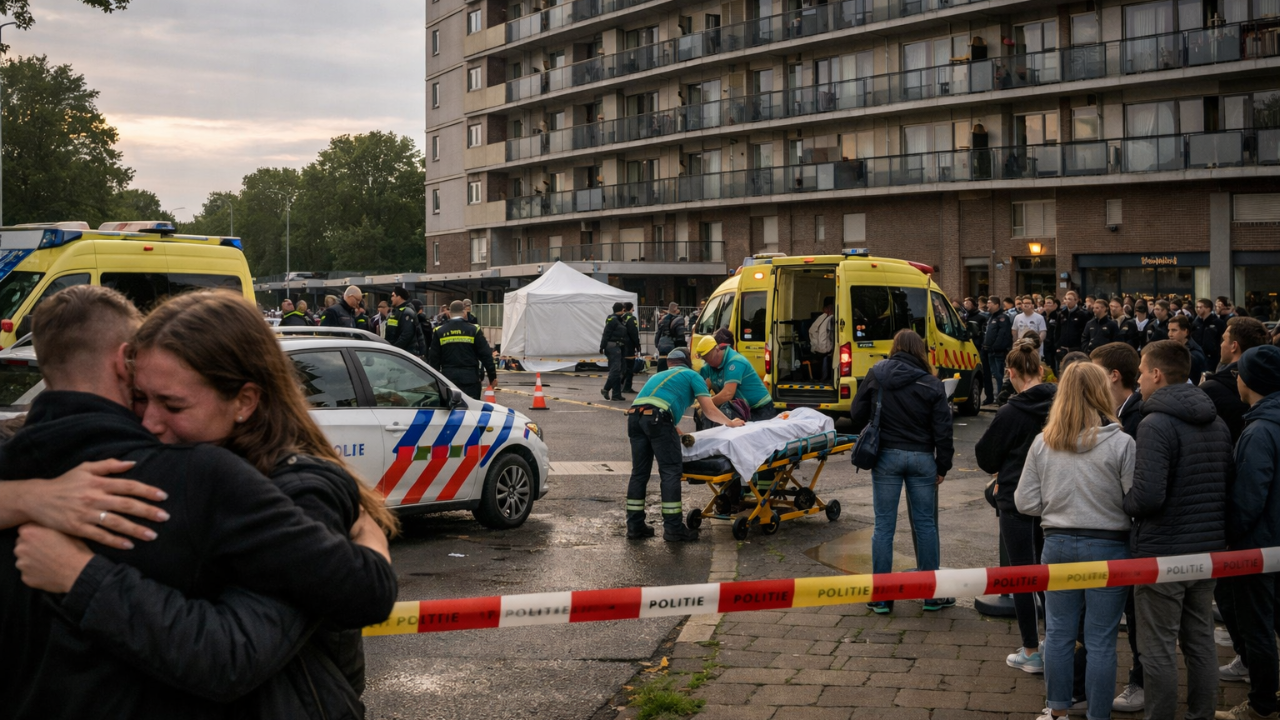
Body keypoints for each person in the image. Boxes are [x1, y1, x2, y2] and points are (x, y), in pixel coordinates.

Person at [0, 286, 397, 718]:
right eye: (140, 397)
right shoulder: (174, 467)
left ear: (244, 401)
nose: (148, 422)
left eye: (172, 404)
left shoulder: (291, 486)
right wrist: (26, 498)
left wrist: (81, 575)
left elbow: (238, 652)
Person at [1015, 362, 1135, 720]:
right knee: (1101, 640)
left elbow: (1024, 502)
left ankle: (1057, 712)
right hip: (1110, 547)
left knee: (1059, 634)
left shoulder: (1043, 443)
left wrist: (1057, 504)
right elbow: (1134, 502)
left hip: (1058, 544)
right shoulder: (1123, 443)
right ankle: (1098, 715)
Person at [1119, 340, 1230, 720]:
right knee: (1200, 640)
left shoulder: (1155, 424)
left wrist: (1123, 501)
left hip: (1163, 553)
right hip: (1208, 551)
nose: (1137, 381)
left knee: (1158, 647)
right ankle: (1202, 714)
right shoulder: (1217, 422)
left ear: (1156, 374)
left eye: (1141, 373)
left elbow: (1148, 497)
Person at [850, 330, 955, 614]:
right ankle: (931, 596)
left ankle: (882, 597)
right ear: (920, 351)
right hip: (922, 458)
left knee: (884, 526)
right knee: (925, 525)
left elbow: (856, 412)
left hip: (885, 456)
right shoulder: (932, 383)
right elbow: (943, 429)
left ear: (895, 347)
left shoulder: (877, 373)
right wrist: (943, 465)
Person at [975, 339, 1056, 674]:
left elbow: (986, 456)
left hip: (1015, 499)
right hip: (1054, 499)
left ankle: (1031, 650)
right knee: (1052, 575)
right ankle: (1058, 643)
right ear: (1040, 369)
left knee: (1022, 575)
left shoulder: (1010, 412)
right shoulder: (1061, 405)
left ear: (1010, 373)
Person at [1215, 345, 1280, 720]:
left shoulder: (1259, 431)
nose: (1235, 378)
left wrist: (1231, 535)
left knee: (1257, 629)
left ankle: (1261, 706)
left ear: (1252, 381)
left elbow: (1249, 497)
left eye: (1239, 373)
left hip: (1257, 547)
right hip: (1274, 543)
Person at [624, 348, 743, 542]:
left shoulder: (657, 376)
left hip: (635, 418)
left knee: (639, 473)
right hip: (658, 419)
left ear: (669, 363)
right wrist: (731, 423)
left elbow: (653, 404)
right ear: (688, 362)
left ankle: (634, 526)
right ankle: (673, 528)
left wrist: (675, 430)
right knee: (671, 471)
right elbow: (709, 410)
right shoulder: (692, 375)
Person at [1089, 342, 1147, 711]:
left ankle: (1141, 682)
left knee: (1138, 613)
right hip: (1123, 530)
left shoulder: (1137, 417)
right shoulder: (1116, 414)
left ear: (1112, 376)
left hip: (1134, 532)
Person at [694, 335, 776, 425]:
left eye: (707, 358)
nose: (706, 362)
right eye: (704, 359)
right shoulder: (709, 366)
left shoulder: (735, 362)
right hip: (742, 407)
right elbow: (702, 387)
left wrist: (707, 404)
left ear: (717, 350)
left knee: (723, 421)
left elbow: (728, 393)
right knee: (706, 415)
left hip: (760, 409)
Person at [429, 300, 496, 399]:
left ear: (449, 314)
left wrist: (435, 381)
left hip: (448, 378)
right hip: (470, 379)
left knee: (451, 407)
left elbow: (434, 359)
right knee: (471, 407)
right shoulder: (474, 330)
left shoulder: (439, 331)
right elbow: (486, 355)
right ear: (464, 313)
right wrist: (492, 376)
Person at [982, 296, 1013, 405]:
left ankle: (1000, 397)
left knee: (999, 375)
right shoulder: (991, 317)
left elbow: (1002, 335)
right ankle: (992, 397)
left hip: (997, 351)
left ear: (996, 305)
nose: (987, 305)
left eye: (990, 303)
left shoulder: (1002, 317)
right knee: (994, 374)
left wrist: (995, 347)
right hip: (989, 351)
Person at [1054, 291, 1091, 368]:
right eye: (1066, 299)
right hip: (1062, 349)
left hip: (1076, 348)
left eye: (1070, 299)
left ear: (1076, 300)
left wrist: (1082, 347)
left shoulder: (1082, 314)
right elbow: (1057, 331)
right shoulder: (1061, 314)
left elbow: (1085, 332)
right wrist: (1057, 346)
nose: (1067, 301)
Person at [600, 303, 629, 401]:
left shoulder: (619, 320)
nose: (625, 312)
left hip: (619, 347)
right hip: (613, 347)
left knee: (620, 370)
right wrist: (602, 346)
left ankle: (616, 394)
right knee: (616, 369)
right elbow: (606, 333)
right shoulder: (612, 319)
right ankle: (606, 389)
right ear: (621, 310)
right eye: (624, 310)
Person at [1167, 314, 1207, 383]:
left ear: (1186, 331)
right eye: (1169, 330)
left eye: (1174, 330)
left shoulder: (1194, 355)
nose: (1170, 334)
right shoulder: (1171, 348)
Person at [385, 286, 421, 355]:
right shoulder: (395, 312)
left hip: (404, 353)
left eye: (393, 295)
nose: (391, 298)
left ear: (399, 297)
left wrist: (394, 349)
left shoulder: (407, 312)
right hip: (395, 352)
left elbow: (406, 335)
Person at [809, 297, 835, 382]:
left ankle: (822, 378)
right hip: (824, 350)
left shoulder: (822, 318)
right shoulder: (830, 318)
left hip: (817, 349)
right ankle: (825, 379)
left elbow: (812, 331)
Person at [1193, 298, 1224, 370]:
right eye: (1197, 307)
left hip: (1212, 357)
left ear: (1208, 308)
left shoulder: (1217, 322)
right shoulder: (1195, 323)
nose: (1198, 309)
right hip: (1199, 355)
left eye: (1200, 307)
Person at [622, 302, 640, 394]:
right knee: (629, 367)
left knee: (623, 366)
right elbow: (634, 333)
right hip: (629, 345)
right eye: (633, 308)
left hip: (621, 344)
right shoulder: (631, 318)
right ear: (631, 309)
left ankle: (620, 385)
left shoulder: (620, 317)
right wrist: (637, 345)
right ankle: (627, 387)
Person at [1042, 295, 1059, 370]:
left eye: (1049, 303)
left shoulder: (1058, 316)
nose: (1046, 305)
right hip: (1044, 347)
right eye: (1045, 303)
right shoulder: (1041, 317)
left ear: (1055, 305)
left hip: (1053, 348)